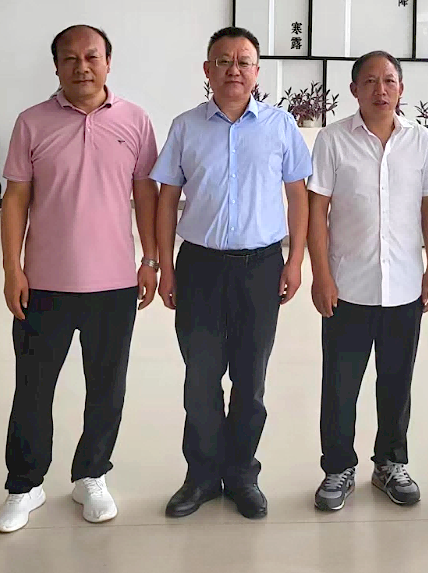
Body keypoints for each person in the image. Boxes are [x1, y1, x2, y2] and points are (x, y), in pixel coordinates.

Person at [0, 25, 160, 533]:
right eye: (70, 58)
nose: (81, 66)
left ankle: (92, 474)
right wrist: (13, 268)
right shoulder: (32, 122)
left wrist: (150, 259)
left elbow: (145, 193)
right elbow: (16, 198)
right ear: (56, 67)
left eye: (91, 56)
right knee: (33, 388)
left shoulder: (135, 120)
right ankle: (25, 485)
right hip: (44, 283)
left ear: (108, 62)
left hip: (114, 284)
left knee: (106, 386)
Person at [152, 26, 312, 520]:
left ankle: (242, 474)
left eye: (244, 62)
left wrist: (295, 260)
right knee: (200, 378)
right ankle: (201, 477)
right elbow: (166, 200)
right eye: (224, 61)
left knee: (250, 379)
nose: (234, 70)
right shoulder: (185, 127)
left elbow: (299, 196)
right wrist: (164, 266)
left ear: (257, 72)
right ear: (208, 70)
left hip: (260, 268)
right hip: (198, 266)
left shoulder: (281, 126)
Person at [307, 51, 428, 511]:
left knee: (396, 383)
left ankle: (390, 463)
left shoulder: (421, 142)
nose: (380, 90)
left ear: (401, 88)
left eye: (389, 80)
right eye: (369, 81)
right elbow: (316, 210)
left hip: (404, 286)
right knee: (340, 385)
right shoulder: (332, 140)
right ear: (354, 90)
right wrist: (321, 274)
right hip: (347, 286)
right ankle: (337, 467)